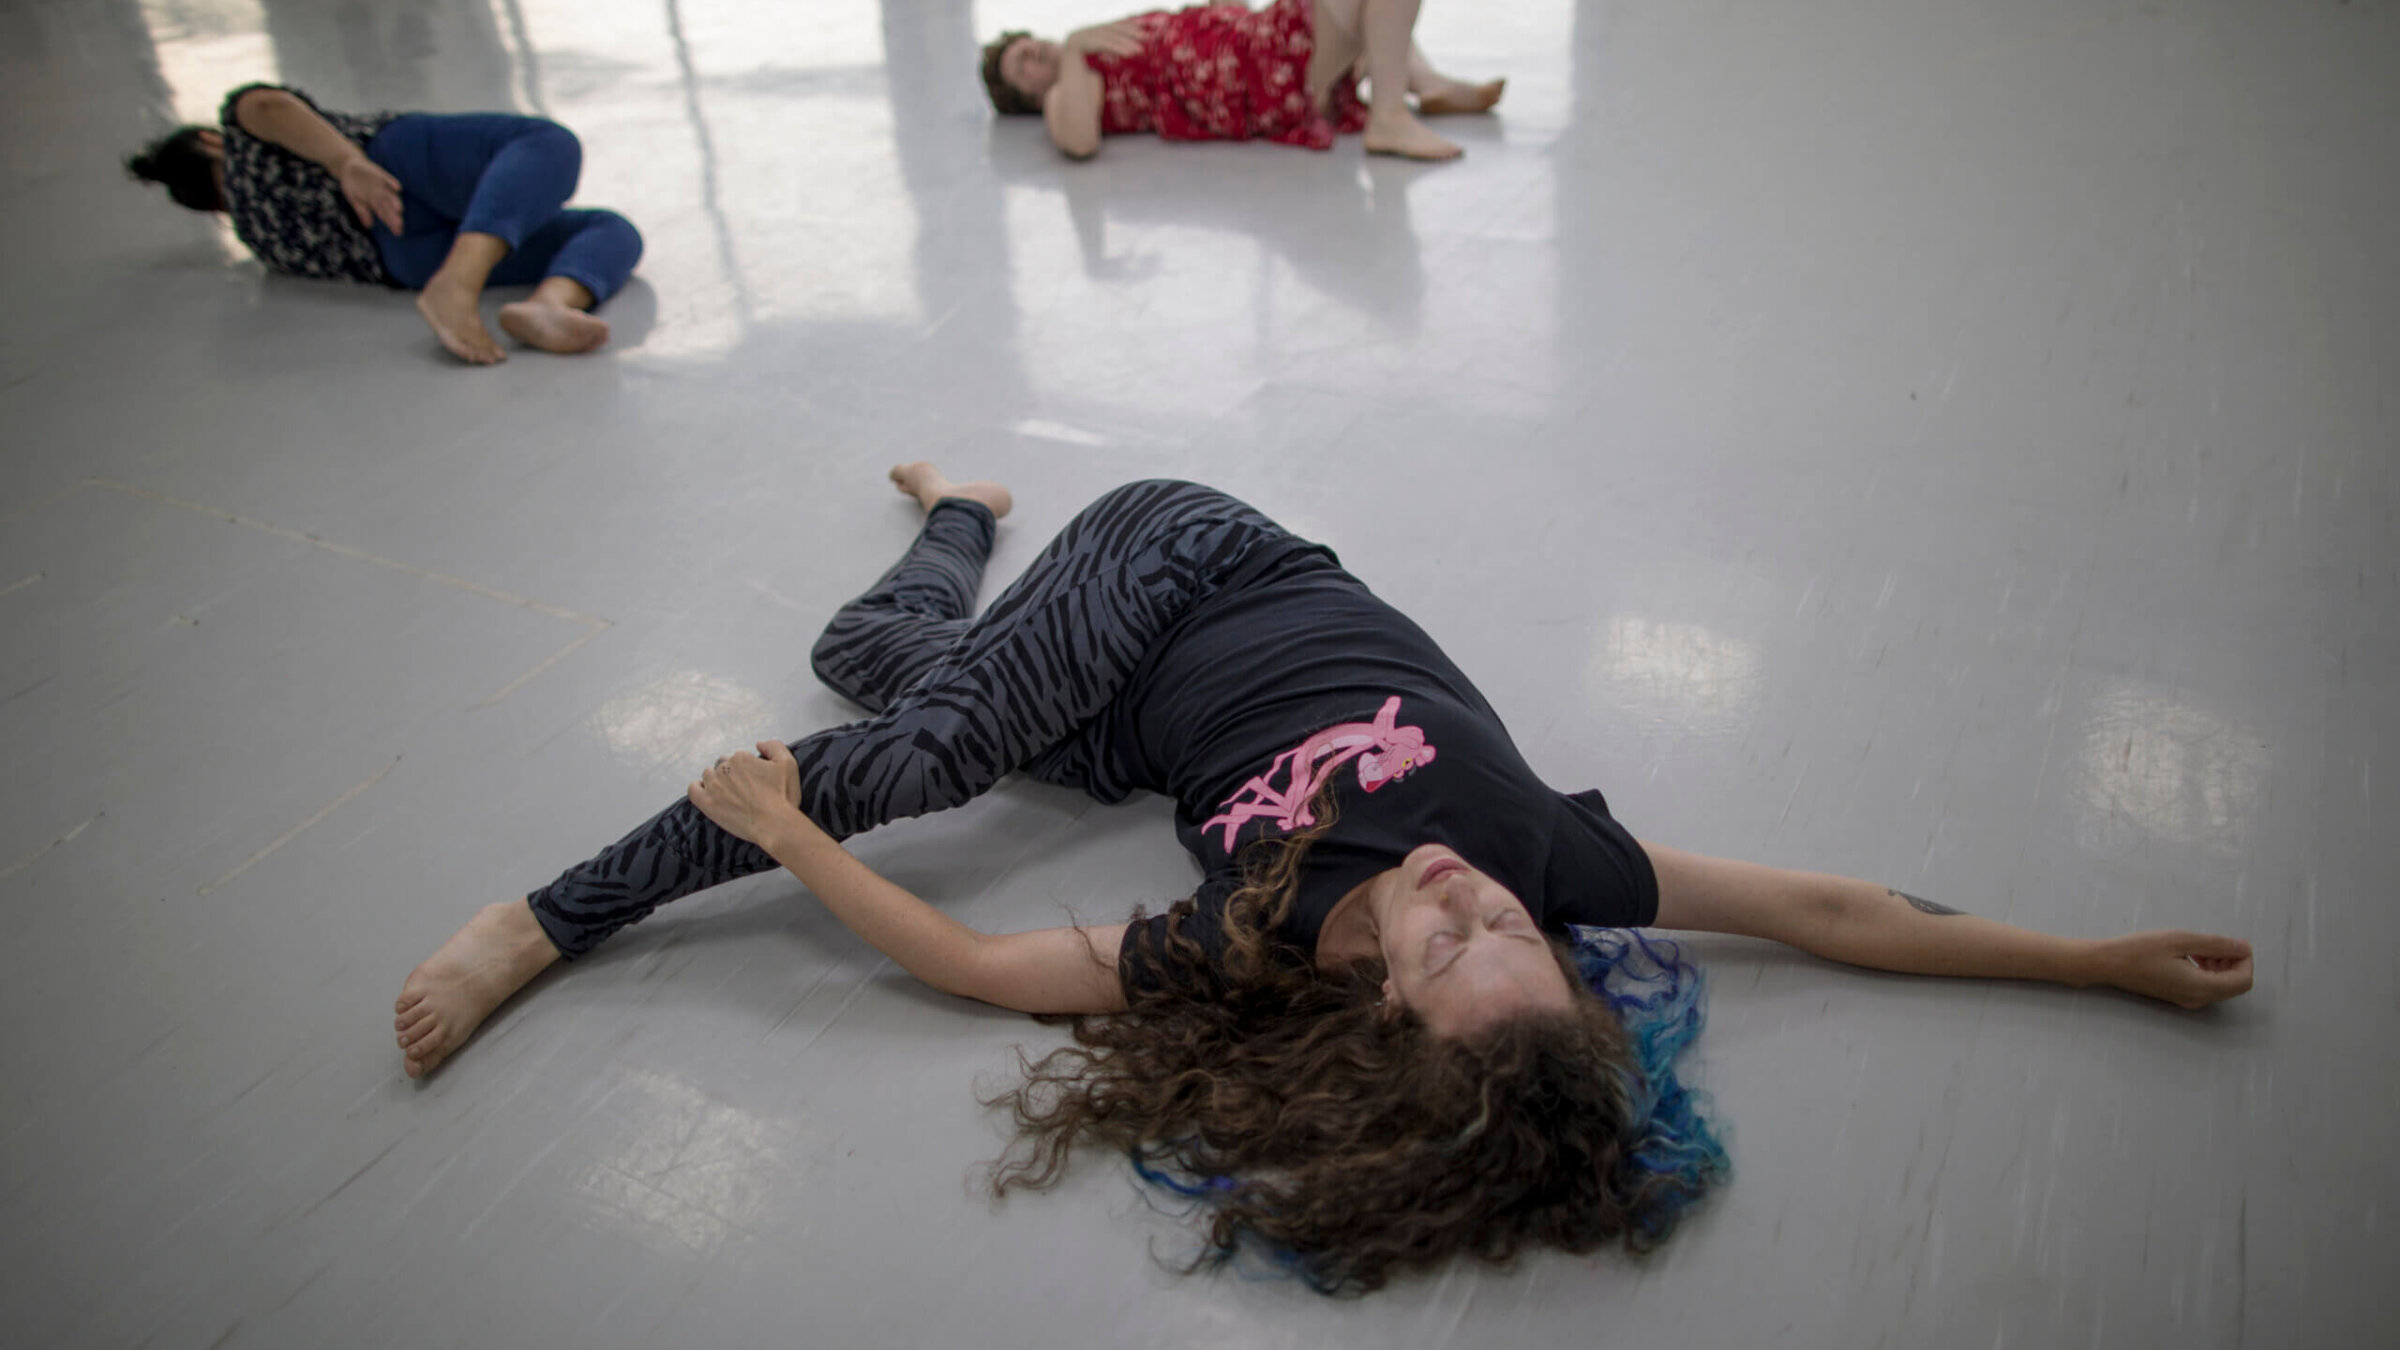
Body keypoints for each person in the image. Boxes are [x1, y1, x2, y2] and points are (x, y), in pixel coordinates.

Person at [393, 467, 2255, 1291]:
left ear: (1381, 1005)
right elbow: (1830, 913)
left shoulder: (1251, 937)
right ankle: (545, 917)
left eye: (1454, 941)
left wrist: (795, 836)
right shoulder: (1545, 851)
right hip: (1194, 560)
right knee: (937, 749)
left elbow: (966, 964)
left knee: (878, 671)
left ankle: (951, 526)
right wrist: (2089, 954)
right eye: (1511, 925)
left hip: (1129, 716)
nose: (1468, 890)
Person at [124, 84, 642, 365]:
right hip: (389, 169)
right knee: (548, 147)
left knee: (604, 227)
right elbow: (270, 104)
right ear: (210, 141)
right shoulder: (240, 131)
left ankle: (544, 308)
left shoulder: (259, 240)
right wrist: (348, 162)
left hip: (400, 261)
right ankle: (473, 283)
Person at [980, 0, 1506, 162]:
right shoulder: (1065, 86)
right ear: (1025, 96)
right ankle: (1391, 115)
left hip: (1247, 43)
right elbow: (1078, 141)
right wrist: (1074, 48)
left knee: (1368, 19)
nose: (1034, 53)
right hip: (1253, 74)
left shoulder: (1092, 44)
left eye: (1028, 45)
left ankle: (1427, 85)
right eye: (1022, 65)